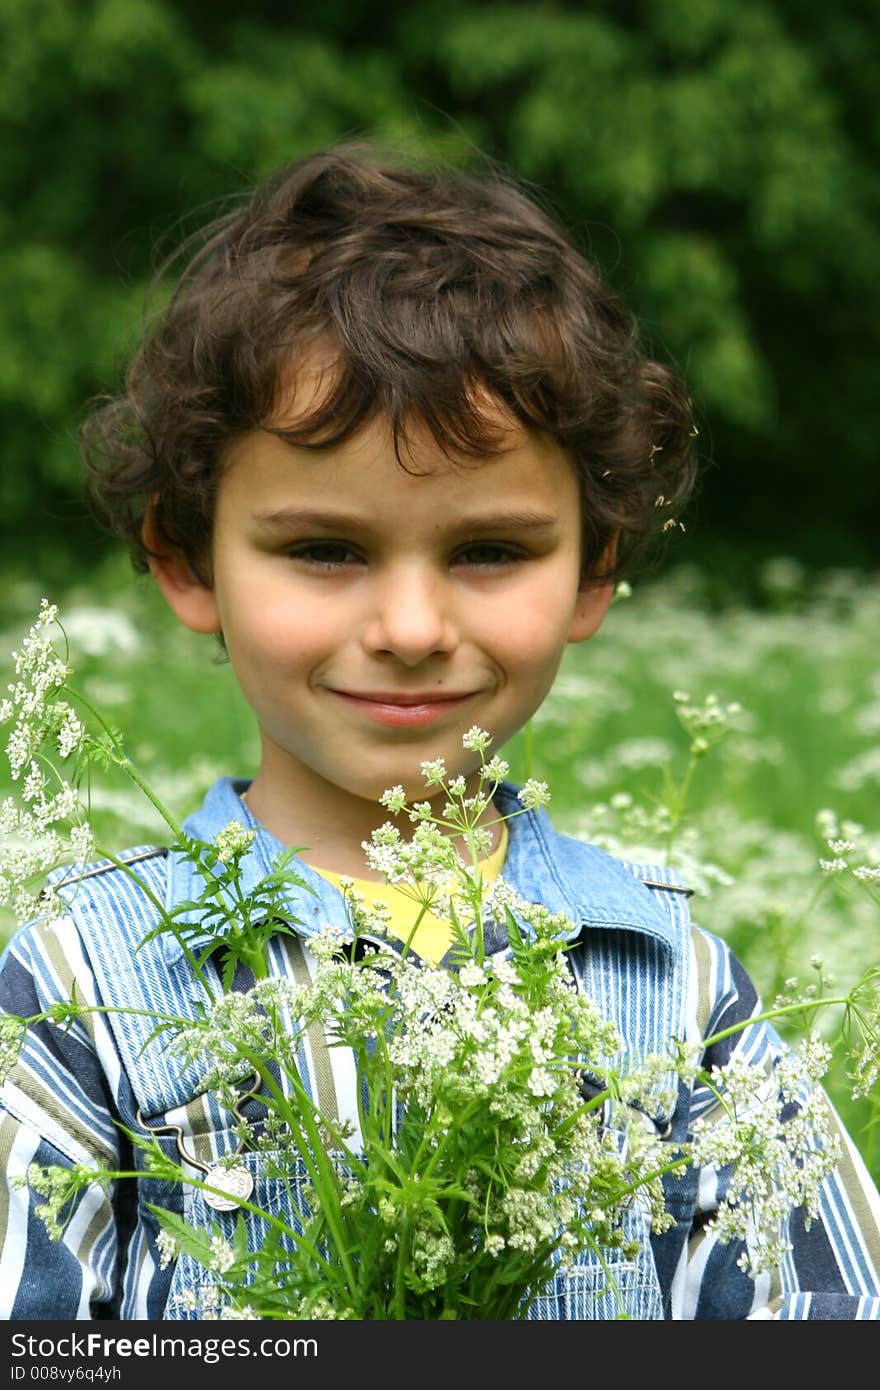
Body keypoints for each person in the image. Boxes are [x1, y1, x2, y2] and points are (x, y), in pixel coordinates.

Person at [1, 143, 878, 1321]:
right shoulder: (79, 988)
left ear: (592, 570)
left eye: (488, 551)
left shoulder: (682, 998)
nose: (411, 627)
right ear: (185, 556)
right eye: (325, 549)